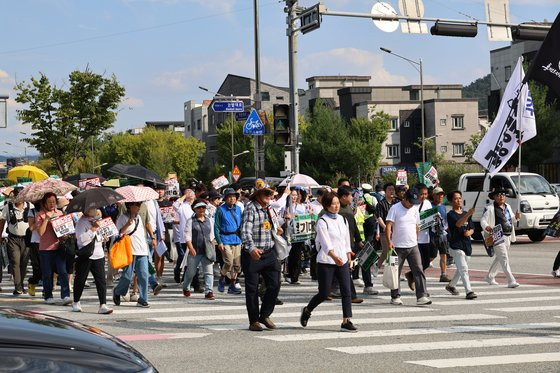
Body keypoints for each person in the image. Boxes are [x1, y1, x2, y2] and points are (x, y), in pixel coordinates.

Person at [300, 191, 357, 332]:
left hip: (342, 260)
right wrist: (333, 256)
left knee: (346, 290)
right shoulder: (322, 221)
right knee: (324, 293)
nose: (336, 206)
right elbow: (325, 243)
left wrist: (348, 255)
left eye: (337, 203)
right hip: (326, 261)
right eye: (333, 204)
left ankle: (346, 320)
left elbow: (346, 240)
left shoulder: (342, 219)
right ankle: (307, 310)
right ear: (326, 205)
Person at [241, 187, 282, 332]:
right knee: (252, 289)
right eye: (266, 193)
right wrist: (251, 248)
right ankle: (254, 321)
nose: (269, 196)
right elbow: (245, 230)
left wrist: (277, 228)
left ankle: (264, 314)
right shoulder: (250, 208)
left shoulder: (269, 208)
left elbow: (274, 224)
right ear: (258, 194)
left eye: (271, 193)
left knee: (275, 283)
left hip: (269, 252)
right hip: (253, 254)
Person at [386, 187, 431, 306]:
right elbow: (389, 225)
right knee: (395, 271)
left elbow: (416, 225)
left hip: (413, 245)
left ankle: (422, 296)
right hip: (397, 246)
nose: (412, 205)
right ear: (404, 199)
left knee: (418, 270)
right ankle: (395, 296)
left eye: (414, 203)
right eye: (410, 202)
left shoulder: (414, 209)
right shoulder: (395, 208)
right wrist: (389, 241)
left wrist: (416, 238)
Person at [73, 208, 113, 314]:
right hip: (86, 255)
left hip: (98, 254)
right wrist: (93, 229)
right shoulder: (81, 222)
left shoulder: (97, 220)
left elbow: (98, 236)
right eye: (92, 208)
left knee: (101, 281)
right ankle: (76, 301)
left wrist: (103, 237)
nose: (95, 210)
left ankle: (103, 304)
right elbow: (81, 240)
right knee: (80, 279)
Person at [35, 192, 71, 305]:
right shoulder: (40, 215)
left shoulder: (60, 213)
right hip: (45, 249)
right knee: (47, 274)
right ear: (44, 203)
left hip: (59, 247)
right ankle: (48, 296)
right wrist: (46, 219)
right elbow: (40, 232)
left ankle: (65, 295)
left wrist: (65, 235)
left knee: (63, 272)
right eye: (49, 202)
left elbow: (66, 230)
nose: (52, 204)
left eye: (54, 202)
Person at [113, 202, 152, 307]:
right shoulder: (122, 218)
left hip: (142, 250)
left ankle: (143, 299)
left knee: (144, 275)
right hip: (129, 251)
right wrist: (127, 224)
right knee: (127, 276)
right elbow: (117, 234)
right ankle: (117, 291)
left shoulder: (139, 217)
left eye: (139, 205)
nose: (138, 207)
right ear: (130, 206)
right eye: (136, 205)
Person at [482, 188, 520, 288]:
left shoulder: (508, 206)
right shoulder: (490, 208)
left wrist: (516, 217)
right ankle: (511, 280)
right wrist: (486, 227)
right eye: (498, 195)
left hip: (508, 235)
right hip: (497, 235)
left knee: (500, 258)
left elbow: (511, 219)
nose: (501, 196)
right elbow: (483, 220)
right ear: (494, 197)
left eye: (503, 195)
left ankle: (490, 277)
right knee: (504, 258)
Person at [0, 187, 32, 295]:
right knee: (15, 262)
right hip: (13, 238)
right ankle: (17, 287)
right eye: (18, 195)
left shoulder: (30, 206)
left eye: (22, 195)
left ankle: (21, 284)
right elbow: (2, 222)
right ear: (14, 195)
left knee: (24, 263)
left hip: (27, 239)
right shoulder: (8, 207)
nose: (20, 197)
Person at [446, 191, 477, 299]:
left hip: (466, 245)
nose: (458, 200)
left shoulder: (465, 213)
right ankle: (469, 291)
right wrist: (468, 214)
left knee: (461, 268)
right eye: (455, 198)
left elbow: (472, 227)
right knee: (463, 268)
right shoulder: (450, 214)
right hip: (456, 245)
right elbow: (458, 224)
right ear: (451, 201)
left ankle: (451, 285)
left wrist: (470, 232)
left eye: (460, 198)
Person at [182, 200, 216, 300]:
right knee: (191, 272)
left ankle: (209, 291)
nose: (201, 209)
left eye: (203, 207)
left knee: (209, 272)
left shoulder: (209, 220)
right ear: (195, 209)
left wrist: (213, 249)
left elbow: (212, 236)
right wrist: (191, 248)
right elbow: (187, 237)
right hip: (195, 250)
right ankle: (186, 287)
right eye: (199, 208)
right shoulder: (191, 221)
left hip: (207, 250)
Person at [403, 184, 433, 291]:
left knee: (426, 263)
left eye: (425, 194)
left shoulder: (428, 203)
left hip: (425, 237)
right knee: (419, 265)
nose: (423, 196)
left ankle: (411, 275)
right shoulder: (413, 205)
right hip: (415, 239)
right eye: (421, 194)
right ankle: (422, 289)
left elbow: (430, 218)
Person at [215, 188, 243, 295]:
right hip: (225, 239)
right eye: (229, 196)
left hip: (237, 239)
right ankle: (222, 278)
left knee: (237, 265)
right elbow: (216, 227)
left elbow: (241, 225)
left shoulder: (238, 209)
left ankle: (232, 284)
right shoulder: (220, 210)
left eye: (234, 196)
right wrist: (219, 242)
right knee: (229, 262)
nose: (232, 199)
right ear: (225, 198)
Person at [373, 183, 398, 276]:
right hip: (385, 231)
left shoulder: (397, 203)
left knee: (395, 251)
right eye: (389, 189)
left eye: (393, 189)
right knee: (386, 251)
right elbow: (379, 217)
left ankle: (393, 271)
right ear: (385, 191)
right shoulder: (381, 204)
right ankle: (377, 266)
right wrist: (385, 227)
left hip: (396, 231)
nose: (391, 191)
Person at [432, 187, 450, 280]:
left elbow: (445, 221)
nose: (441, 196)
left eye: (442, 194)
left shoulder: (443, 206)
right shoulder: (429, 206)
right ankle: (417, 272)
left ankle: (443, 274)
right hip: (432, 235)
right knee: (431, 256)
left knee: (443, 254)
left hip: (443, 235)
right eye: (438, 194)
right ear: (434, 195)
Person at [26, 200, 42, 296]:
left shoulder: (51, 211)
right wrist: (40, 221)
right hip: (36, 242)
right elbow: (31, 228)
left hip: (48, 242)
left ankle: (47, 290)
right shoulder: (32, 212)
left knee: (48, 268)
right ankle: (32, 282)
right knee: (37, 268)